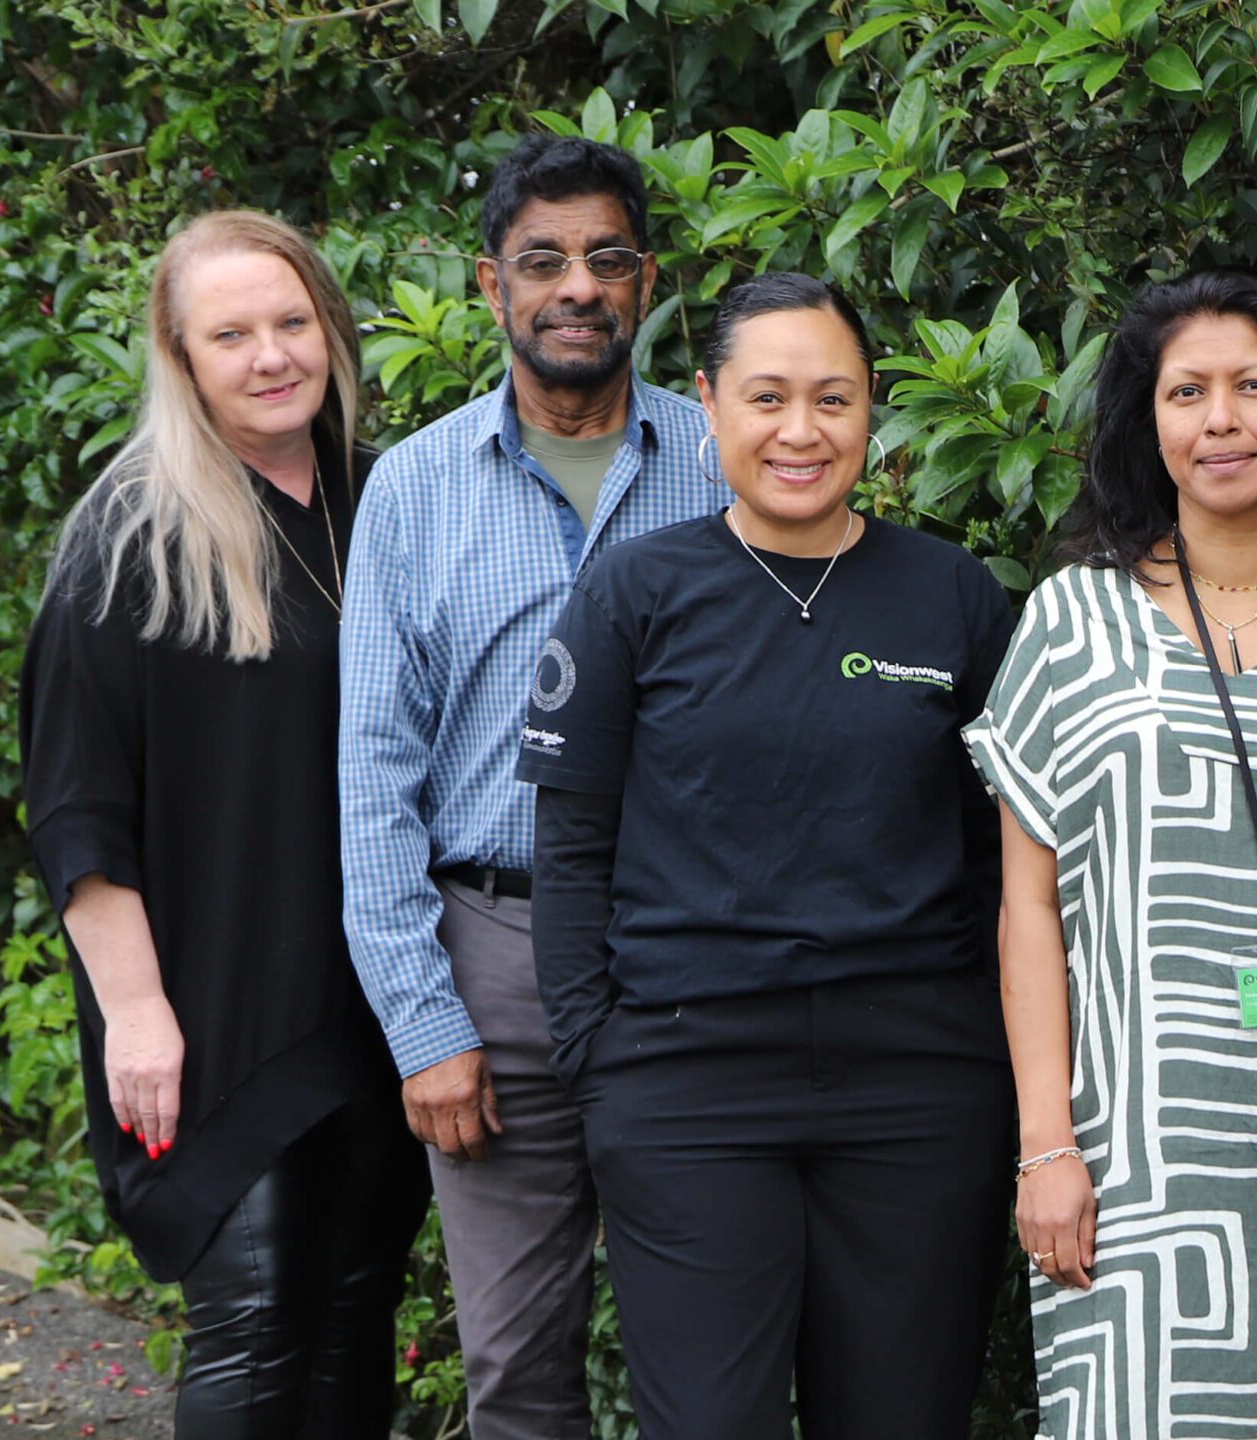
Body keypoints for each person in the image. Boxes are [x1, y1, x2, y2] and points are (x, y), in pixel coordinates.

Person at [517, 273, 1016, 1436]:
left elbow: (1003, 853)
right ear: (707, 404)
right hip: (687, 1085)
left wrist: (986, 1047)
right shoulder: (636, 592)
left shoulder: (951, 596)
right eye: (768, 397)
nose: (802, 432)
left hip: (918, 1089)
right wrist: (601, 1059)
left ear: (872, 409)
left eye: (833, 399)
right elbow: (572, 844)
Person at [965, 268, 1257, 1438]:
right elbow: (1029, 908)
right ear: (1148, 421)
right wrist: (1042, 1152)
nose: (1219, 419)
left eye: (1252, 386)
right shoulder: (1070, 621)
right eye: (1187, 392)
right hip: (1128, 1153)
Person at [337, 135, 726, 1440]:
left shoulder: (725, 462)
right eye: (543, 260)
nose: (579, 287)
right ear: (492, 284)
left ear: (649, 281)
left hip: (691, 953)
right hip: (493, 960)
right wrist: (423, 1023)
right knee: (514, 1363)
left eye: (607, 260)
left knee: (718, 1350)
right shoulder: (414, 488)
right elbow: (374, 776)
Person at [20, 209, 430, 1436]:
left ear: (330, 327)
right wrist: (137, 1013)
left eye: (291, 322)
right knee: (253, 1324)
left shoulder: (385, 496)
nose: (270, 356)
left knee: (353, 1316)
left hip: (376, 995)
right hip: (209, 1009)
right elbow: (77, 805)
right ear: (182, 356)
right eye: (231, 334)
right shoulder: (131, 536)